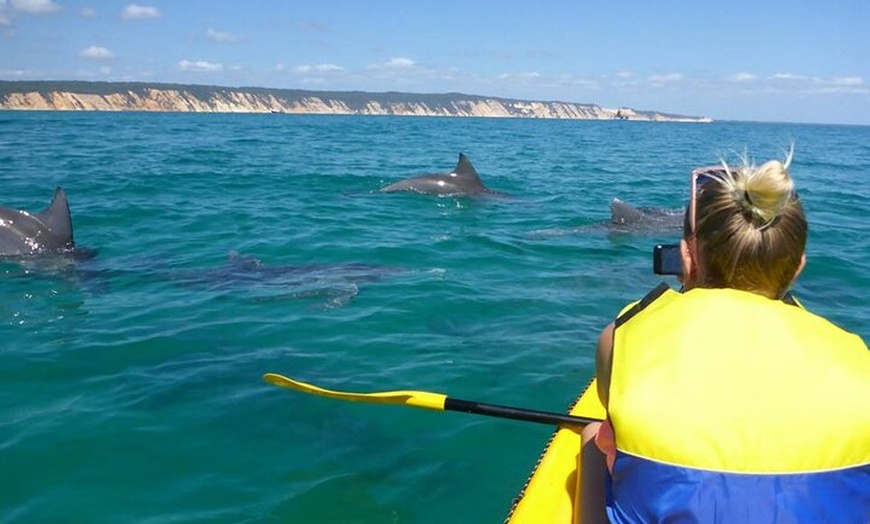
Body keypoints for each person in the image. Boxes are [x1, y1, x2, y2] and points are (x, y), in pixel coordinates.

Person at [578, 153, 870, 524]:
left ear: (687, 256)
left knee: (593, 435)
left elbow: (616, 436)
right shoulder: (856, 355)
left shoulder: (624, 333)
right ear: (798, 267)